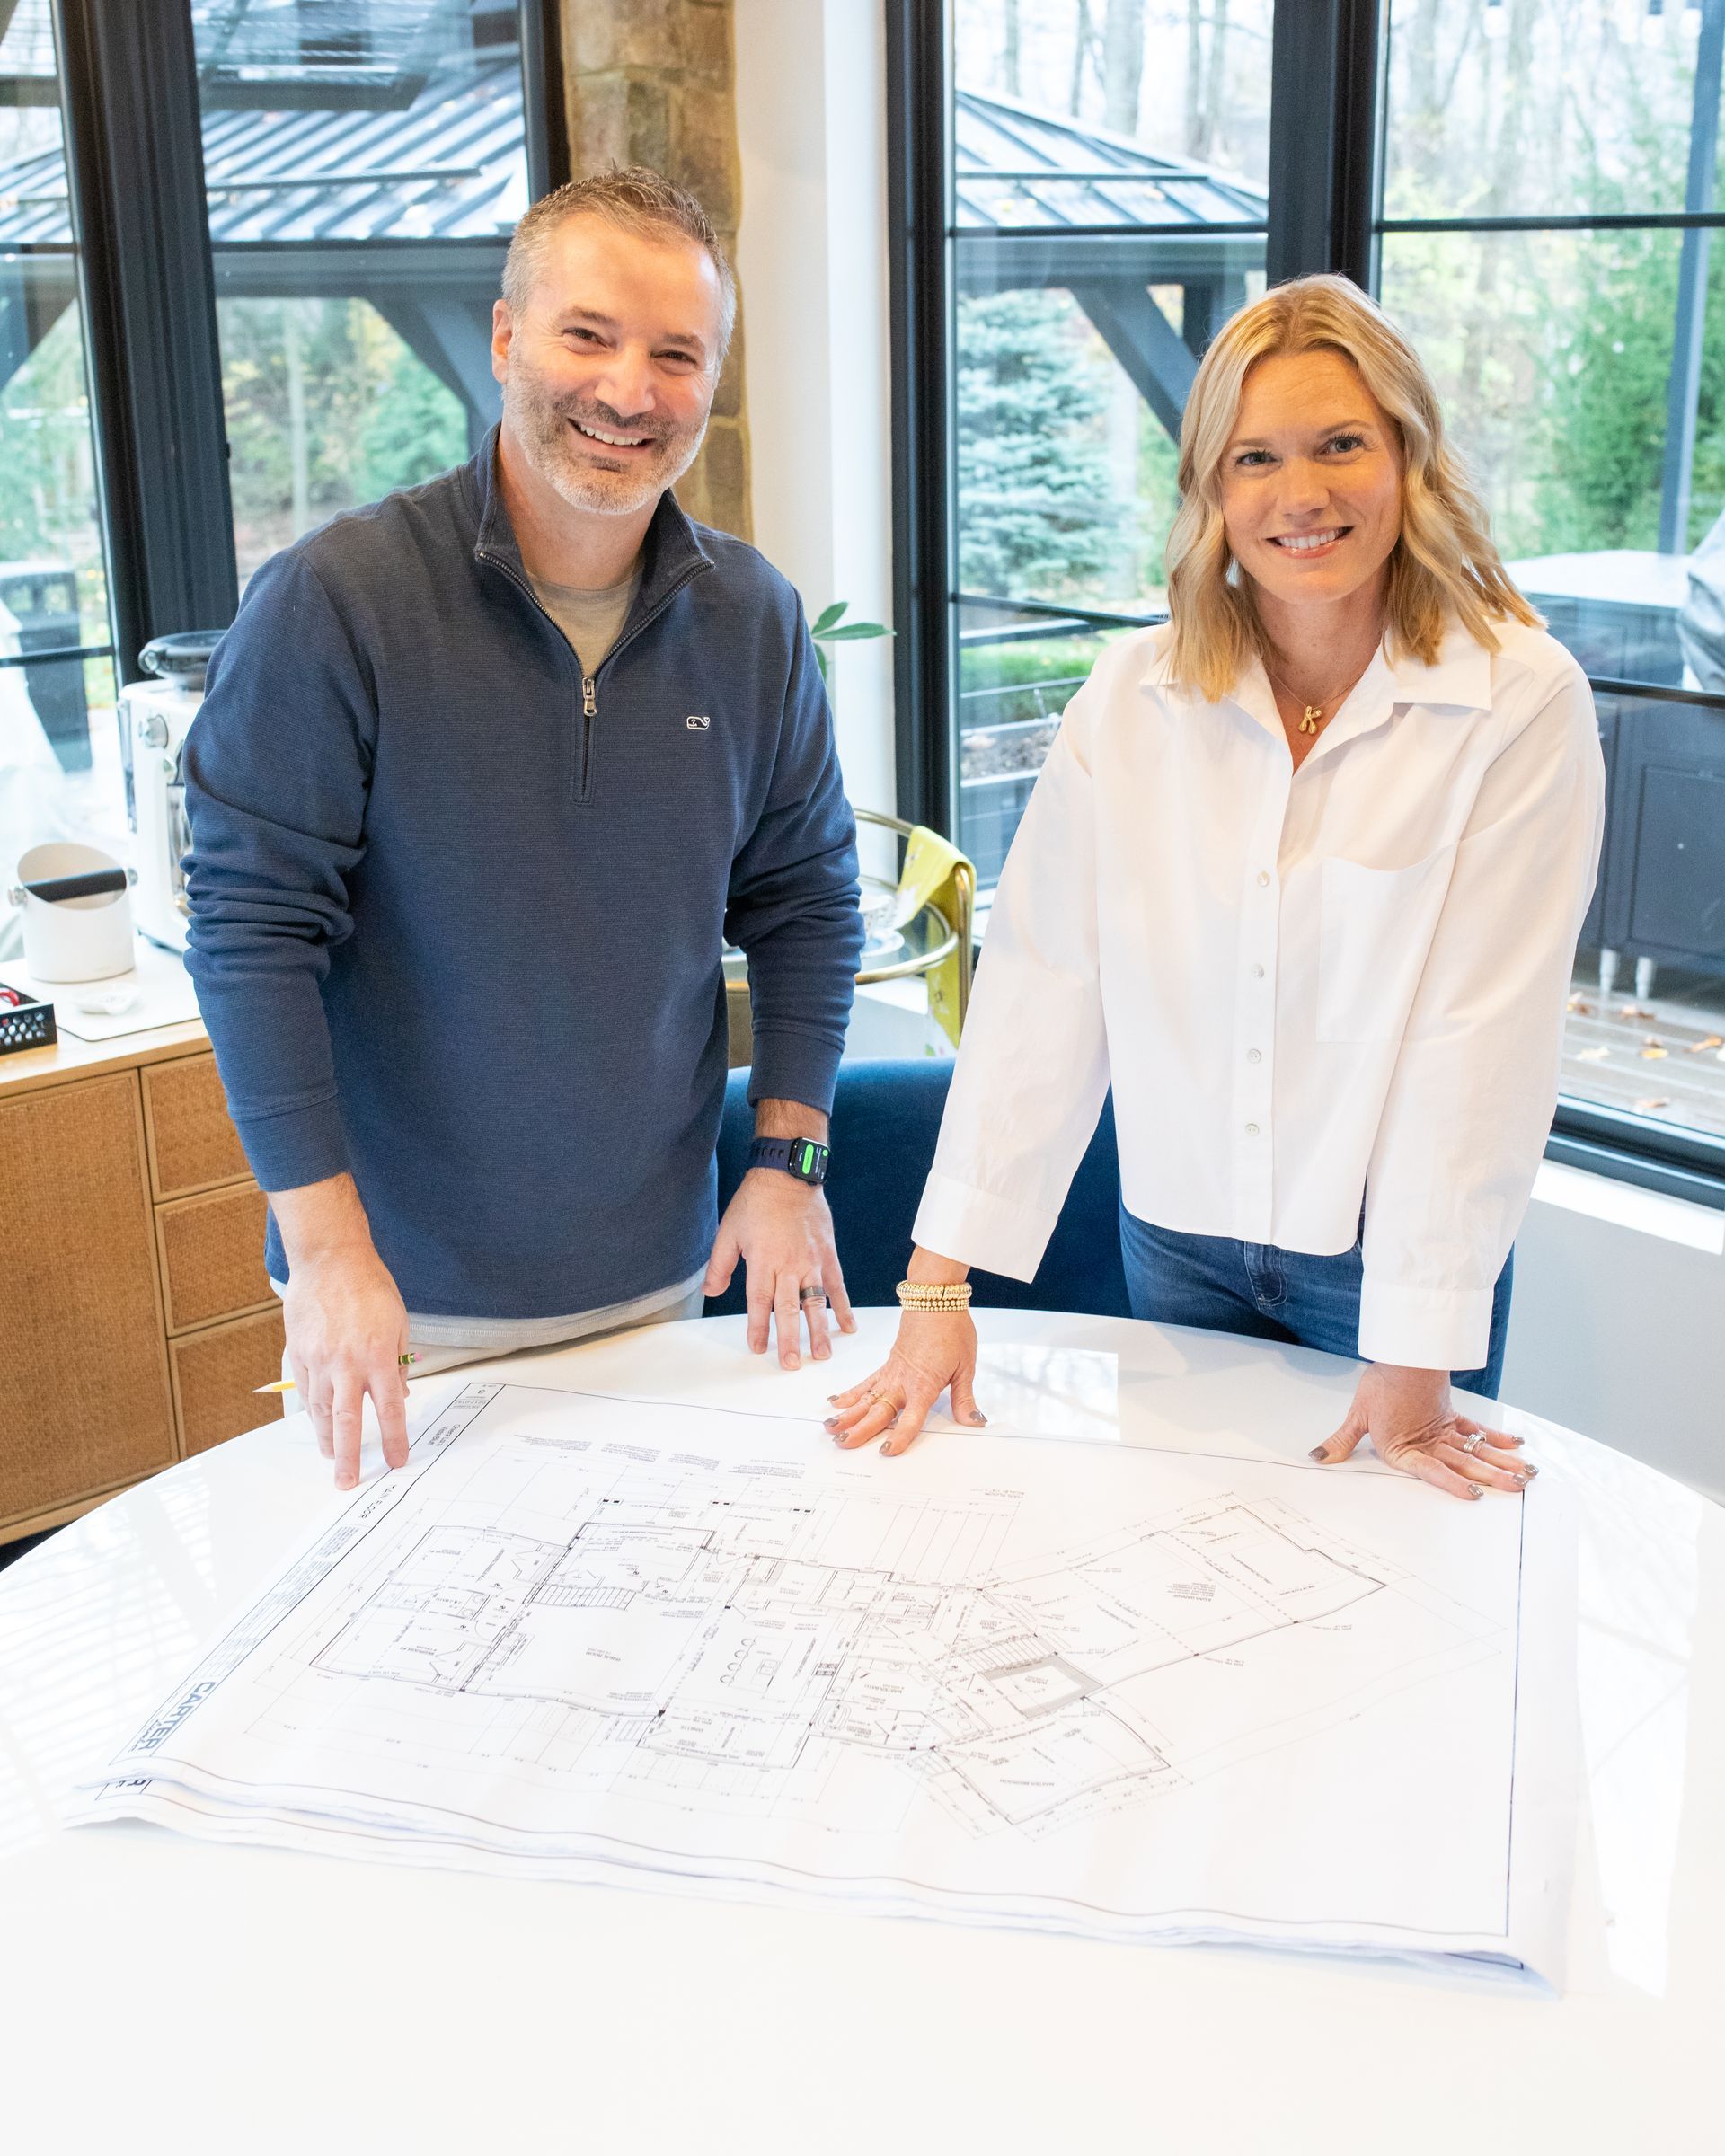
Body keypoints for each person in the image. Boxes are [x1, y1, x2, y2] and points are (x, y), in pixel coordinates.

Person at [828, 274, 1604, 1500]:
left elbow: (1479, 1039)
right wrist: (937, 1285)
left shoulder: (1519, 699)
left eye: (1342, 444)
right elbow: (1045, 987)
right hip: (1176, 1244)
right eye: (1256, 459)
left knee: (1389, 1591)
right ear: (1210, 489)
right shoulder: (1132, 697)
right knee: (1191, 1558)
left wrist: (1411, 1358)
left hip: (1388, 1263)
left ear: (1408, 455)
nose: (1302, 496)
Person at [184, 168, 863, 1492]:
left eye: (678, 354)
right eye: (588, 334)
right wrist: (325, 1255)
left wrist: (792, 1162)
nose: (629, 391)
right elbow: (253, 938)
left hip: (658, 1287)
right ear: (506, 339)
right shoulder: (337, 603)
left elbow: (808, 904)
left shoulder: (756, 621)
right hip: (399, 1311)